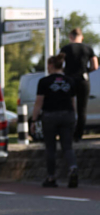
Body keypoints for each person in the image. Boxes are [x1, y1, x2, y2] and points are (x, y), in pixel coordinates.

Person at [33, 53, 82, 188]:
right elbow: (73, 102)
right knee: (67, 146)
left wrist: (33, 120)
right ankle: (72, 167)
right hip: (68, 115)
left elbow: (39, 102)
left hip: (50, 116)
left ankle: (51, 177)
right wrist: (74, 117)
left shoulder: (44, 82)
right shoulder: (70, 81)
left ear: (51, 65)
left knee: (51, 148)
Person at [59, 28, 98, 140]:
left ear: (70, 37)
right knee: (82, 109)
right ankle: (78, 135)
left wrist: (66, 71)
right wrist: (86, 70)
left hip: (69, 79)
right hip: (83, 80)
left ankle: (68, 132)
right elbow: (95, 65)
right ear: (82, 37)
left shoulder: (65, 48)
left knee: (68, 107)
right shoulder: (88, 48)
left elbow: (59, 64)